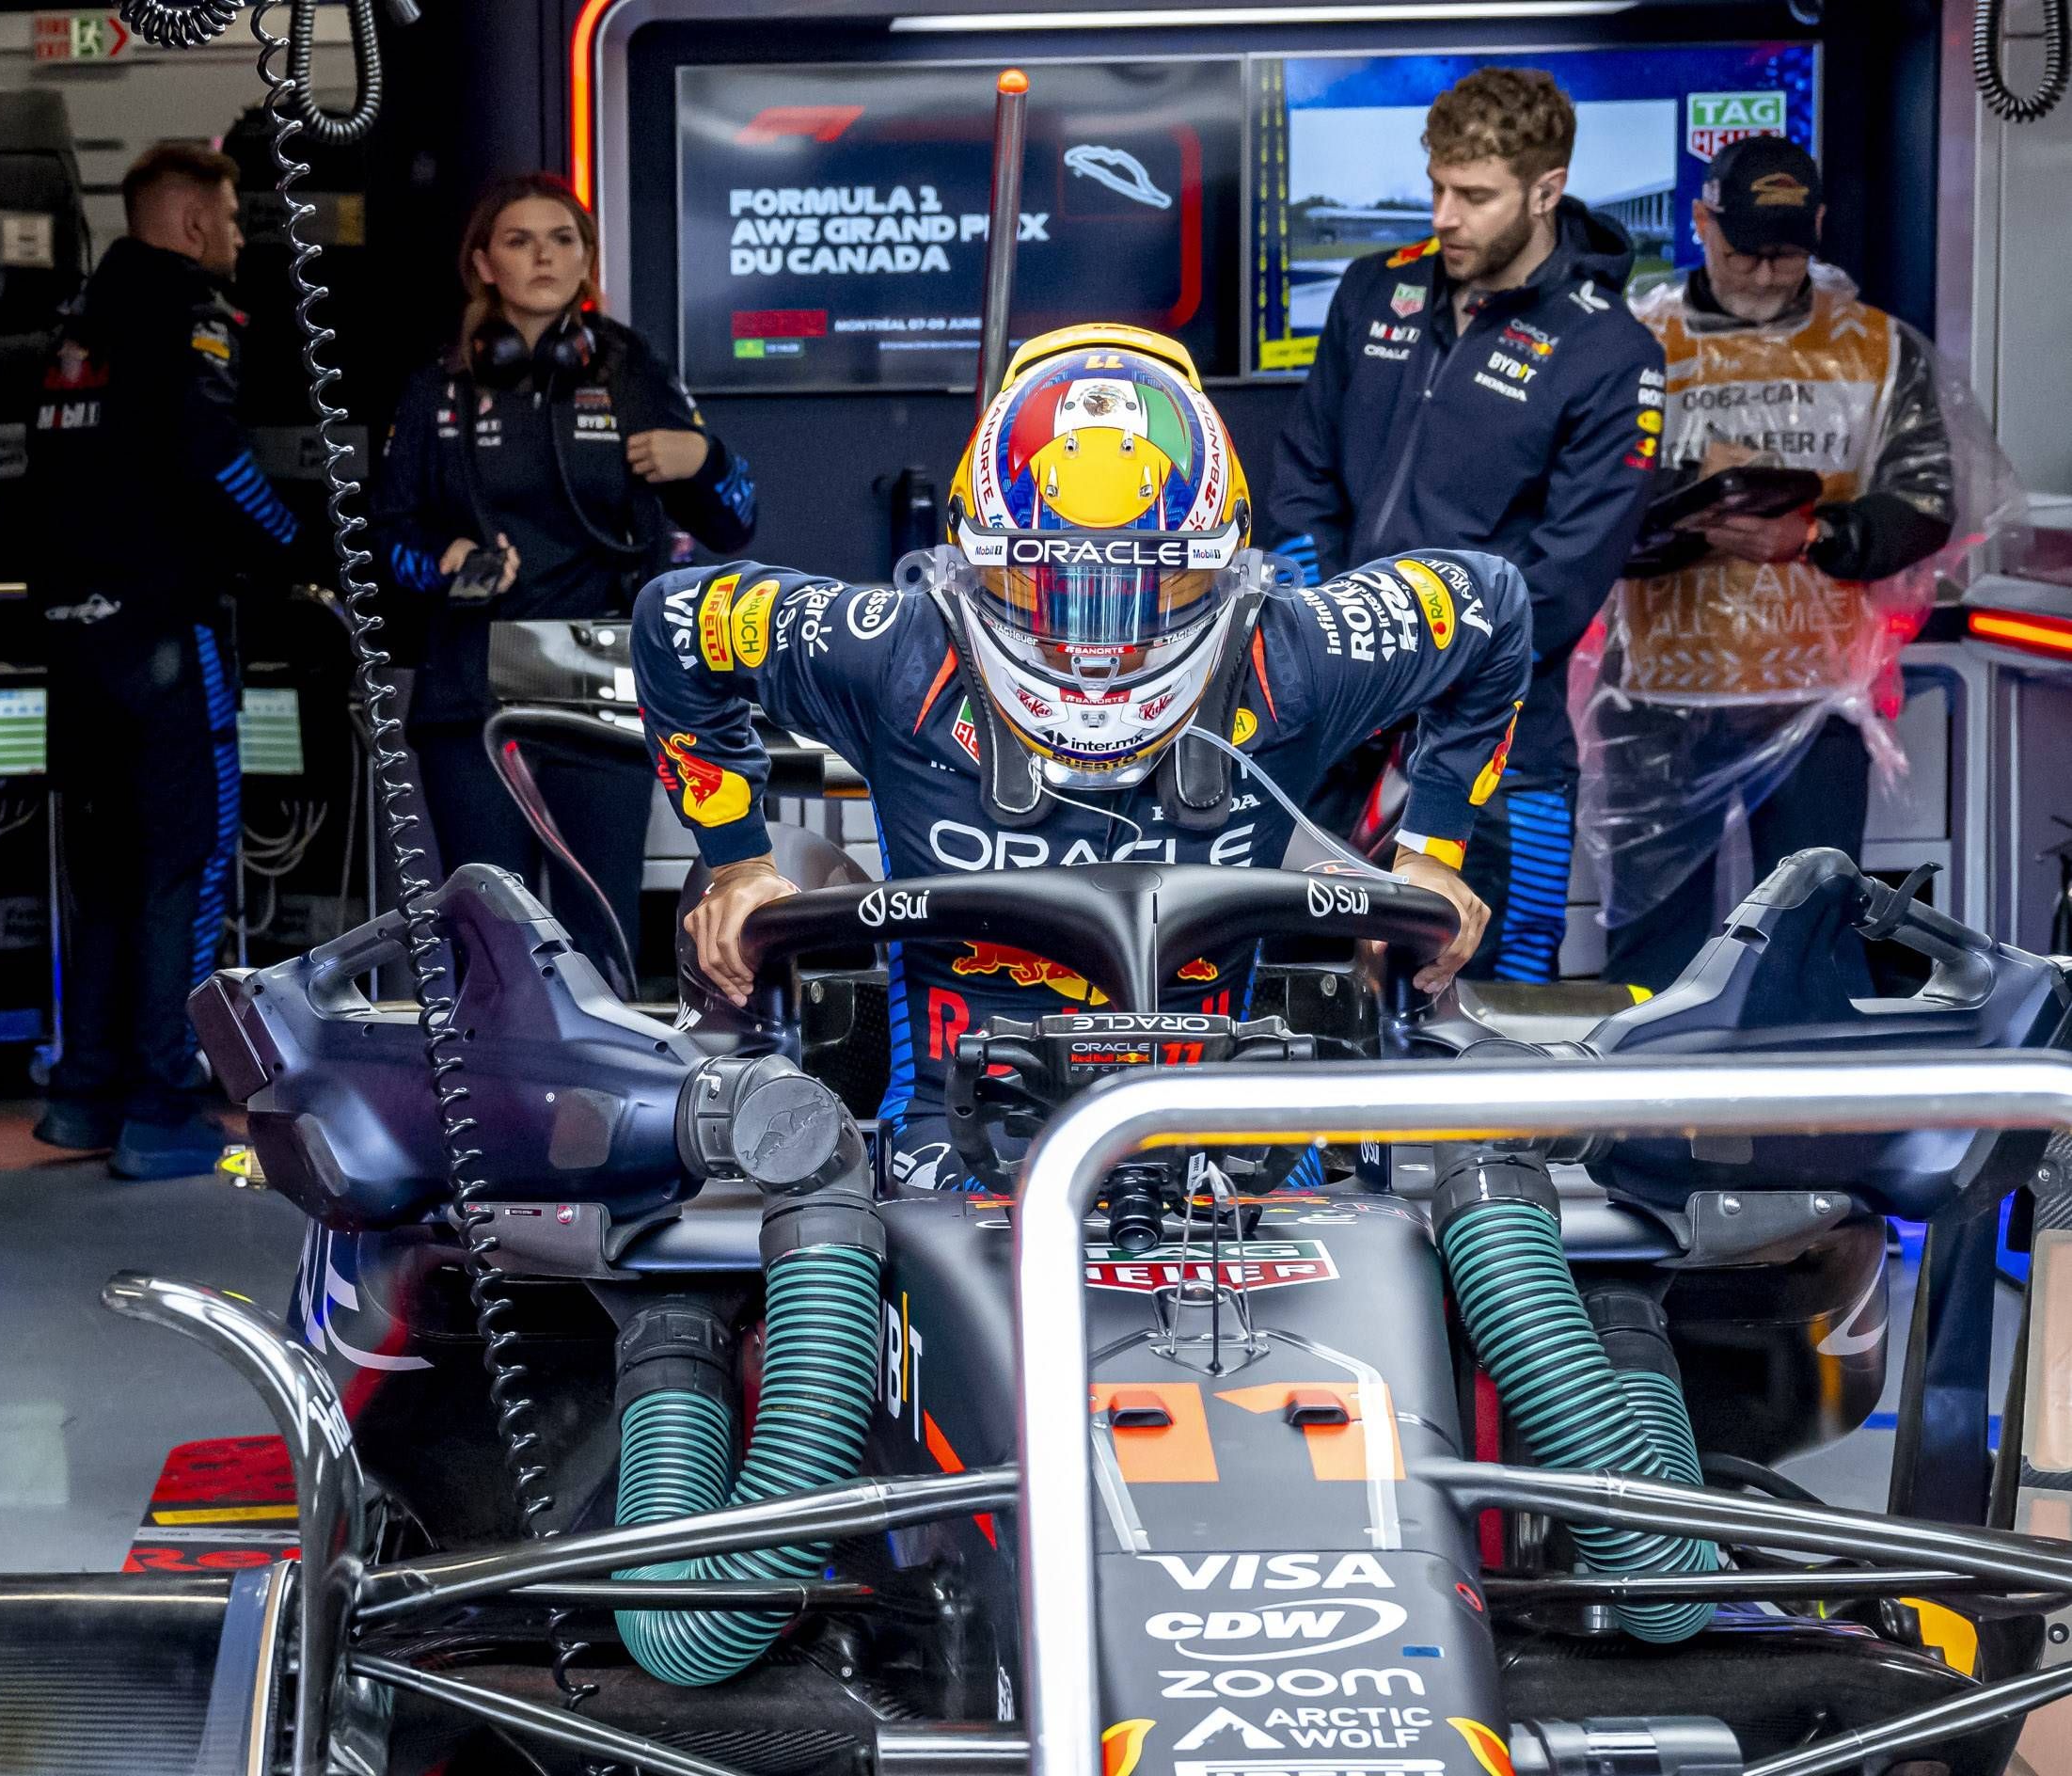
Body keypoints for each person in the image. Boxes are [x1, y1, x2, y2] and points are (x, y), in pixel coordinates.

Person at [654, 327, 1510, 1190]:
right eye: (1042, 584)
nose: (1094, 645)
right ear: (968, 560)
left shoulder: (1290, 658)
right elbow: (678, 621)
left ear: (1228, 563)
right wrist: (735, 865)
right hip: (956, 1146)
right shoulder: (897, 653)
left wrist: (1430, 856)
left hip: (1228, 1134)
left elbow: (1490, 607)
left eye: (1152, 581)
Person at [1262, 65, 1664, 983]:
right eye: (1437, 187)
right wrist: (1340, 653)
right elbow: (1302, 487)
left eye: (1473, 196)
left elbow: (1563, 583)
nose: (1443, 215)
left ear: (1547, 190)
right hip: (1333, 717)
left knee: (1493, 1006)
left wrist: (1436, 671)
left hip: (1500, 743)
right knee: (1286, 982)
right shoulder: (1374, 291)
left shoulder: (1610, 351)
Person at [1587, 136, 1965, 992]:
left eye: (1786, 254)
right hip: (1652, 695)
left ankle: (1811, 1127)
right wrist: (1684, 517)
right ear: (1700, 223)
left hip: (1813, 701)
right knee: (1652, 947)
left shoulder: (1873, 347)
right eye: (1742, 252)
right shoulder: (1634, 340)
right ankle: (1642, 1129)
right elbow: (1579, 498)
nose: (1762, 275)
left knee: (1813, 944)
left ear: (1820, 229)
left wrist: (1819, 537)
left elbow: (1927, 499)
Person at [373, 173, 756, 959]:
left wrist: (706, 458)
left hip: (597, 679)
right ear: (483, 263)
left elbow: (736, 522)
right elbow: (384, 542)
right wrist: (442, 560)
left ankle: (599, 1085)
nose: (543, 257)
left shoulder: (628, 371)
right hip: (471, 690)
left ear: (585, 260)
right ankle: (490, 1084)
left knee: (599, 924)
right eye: (519, 240)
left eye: (562, 240)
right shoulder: (439, 382)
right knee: (489, 931)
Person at [26, 139, 308, 1178]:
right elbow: (213, 454)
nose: (236, 240)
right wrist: (297, 545)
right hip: (161, 630)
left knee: (101, 869)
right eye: (231, 220)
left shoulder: (74, 321)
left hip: (69, 635)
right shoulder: (190, 309)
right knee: (183, 863)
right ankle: (164, 1100)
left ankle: (84, 1093)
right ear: (192, 223)